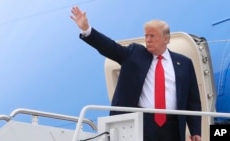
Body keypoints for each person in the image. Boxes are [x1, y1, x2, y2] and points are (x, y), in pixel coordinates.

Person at [70, 6, 202, 141]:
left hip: (172, 126)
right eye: (146, 36)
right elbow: (110, 47)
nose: (148, 39)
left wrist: (196, 131)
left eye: (153, 36)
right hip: (143, 123)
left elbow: (193, 101)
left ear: (166, 39)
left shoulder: (184, 63)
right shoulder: (135, 54)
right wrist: (87, 30)